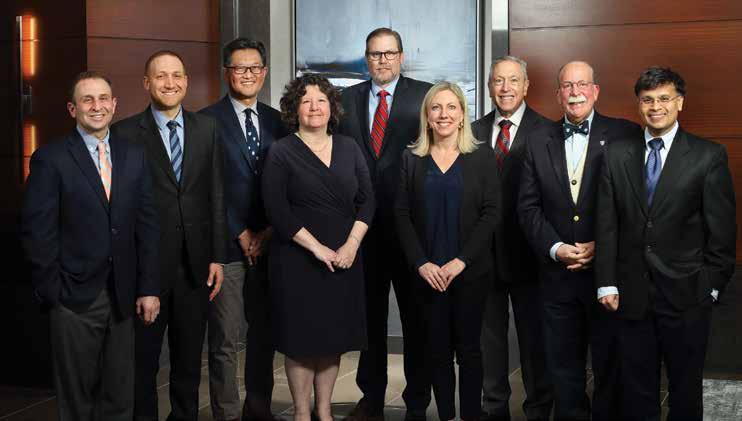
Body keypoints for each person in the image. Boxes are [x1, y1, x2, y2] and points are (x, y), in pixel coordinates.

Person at [595, 67, 736, 421]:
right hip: (630, 295)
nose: (655, 107)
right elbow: (607, 224)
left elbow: (722, 233)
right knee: (636, 392)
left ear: (680, 103)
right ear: (638, 105)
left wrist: (710, 288)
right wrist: (606, 282)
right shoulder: (616, 154)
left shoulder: (708, 156)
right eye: (647, 100)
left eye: (664, 99)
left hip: (688, 296)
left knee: (685, 393)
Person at [21, 71, 159, 421]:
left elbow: (147, 225)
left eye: (103, 99)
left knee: (120, 396)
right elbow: (38, 232)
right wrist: (53, 292)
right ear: (73, 109)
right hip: (73, 297)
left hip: (124, 294)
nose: (97, 106)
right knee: (77, 399)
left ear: (114, 104)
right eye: (87, 100)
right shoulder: (50, 158)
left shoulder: (134, 155)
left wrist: (148, 287)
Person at [517, 61, 641, 420]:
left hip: (607, 275)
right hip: (556, 277)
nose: (575, 92)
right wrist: (556, 248)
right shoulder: (537, 141)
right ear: (558, 94)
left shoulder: (626, 134)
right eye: (568, 86)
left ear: (595, 91)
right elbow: (527, 207)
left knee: (609, 362)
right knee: (562, 365)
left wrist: (601, 246)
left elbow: (635, 205)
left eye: (582, 84)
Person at [113, 50, 227, 421]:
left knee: (188, 360)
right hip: (146, 266)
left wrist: (217, 256)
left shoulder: (207, 128)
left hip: (196, 265)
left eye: (177, 75)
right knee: (143, 362)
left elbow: (216, 194)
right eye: (161, 76)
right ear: (147, 83)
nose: (170, 83)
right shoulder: (125, 133)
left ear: (186, 81)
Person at [262, 74, 375, 421]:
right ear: (294, 108)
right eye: (306, 100)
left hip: (344, 258)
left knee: (332, 339)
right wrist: (317, 249)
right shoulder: (281, 151)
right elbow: (276, 209)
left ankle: (324, 411)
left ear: (332, 107)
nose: (314, 107)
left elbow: (368, 200)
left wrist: (352, 244)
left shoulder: (349, 147)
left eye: (321, 100)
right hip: (297, 259)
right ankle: (301, 412)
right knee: (300, 341)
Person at [337, 27, 432, 421]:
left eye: (390, 53)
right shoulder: (345, 100)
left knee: (416, 319)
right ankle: (371, 399)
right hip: (362, 229)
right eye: (375, 54)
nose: (382, 60)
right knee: (369, 319)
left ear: (402, 56)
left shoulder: (425, 96)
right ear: (366, 58)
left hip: (411, 228)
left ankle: (417, 403)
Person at [395, 82, 500, 421]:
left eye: (451, 107)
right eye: (436, 108)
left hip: (469, 272)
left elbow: (491, 212)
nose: (444, 114)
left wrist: (461, 261)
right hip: (428, 275)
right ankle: (445, 415)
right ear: (427, 116)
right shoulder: (411, 158)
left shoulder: (481, 156)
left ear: (462, 115)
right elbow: (401, 214)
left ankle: (470, 415)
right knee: (436, 350)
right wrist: (421, 263)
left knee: (469, 350)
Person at [200, 37, 289, 421]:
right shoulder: (205, 122)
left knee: (263, 333)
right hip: (226, 245)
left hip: (271, 242)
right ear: (227, 73)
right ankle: (227, 413)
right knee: (224, 337)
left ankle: (258, 407)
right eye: (240, 68)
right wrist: (240, 232)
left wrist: (267, 231)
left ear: (264, 72)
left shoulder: (279, 121)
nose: (248, 74)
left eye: (254, 67)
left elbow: (288, 182)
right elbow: (205, 186)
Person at [471, 56, 553, 421]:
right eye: (498, 81)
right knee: (489, 340)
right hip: (483, 255)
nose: (505, 88)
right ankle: (494, 409)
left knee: (535, 340)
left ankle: (538, 409)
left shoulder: (548, 131)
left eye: (513, 80)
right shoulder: (471, 131)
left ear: (526, 86)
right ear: (490, 86)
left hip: (531, 255)